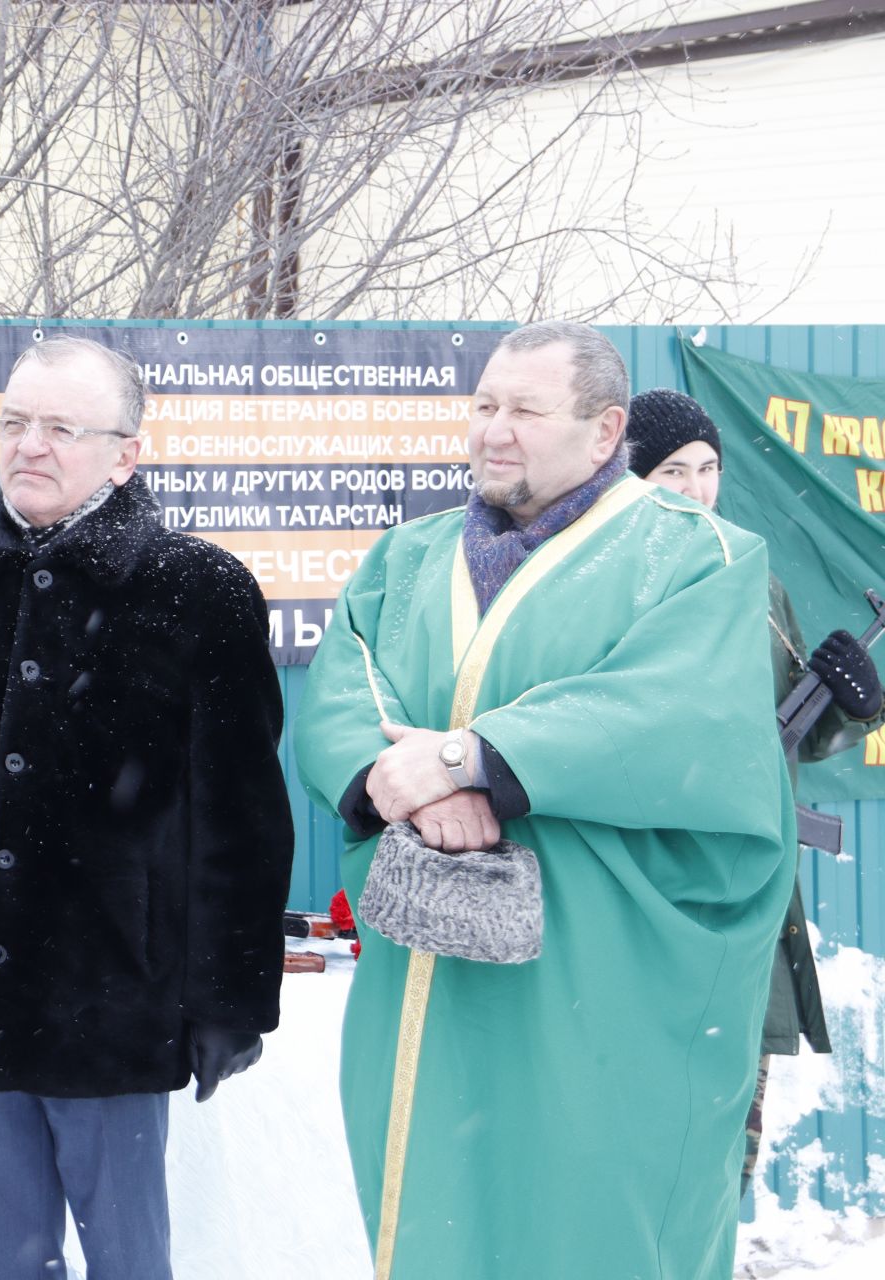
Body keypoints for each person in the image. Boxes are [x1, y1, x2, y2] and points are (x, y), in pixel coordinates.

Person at [294, 321, 792, 1280]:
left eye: (525, 409)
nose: (494, 430)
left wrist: (474, 756)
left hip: (598, 983)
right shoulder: (406, 558)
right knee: (434, 1207)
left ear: (606, 433)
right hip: (428, 983)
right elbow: (347, 690)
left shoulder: (697, 559)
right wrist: (398, 779)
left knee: (586, 1224)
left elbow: (674, 709)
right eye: (484, 405)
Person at [0, 336, 293, 1279]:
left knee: (129, 1257)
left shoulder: (198, 592)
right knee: (2, 1258)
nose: (30, 446)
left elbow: (243, 819)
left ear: (126, 452)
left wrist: (230, 1000)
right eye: (15, 422)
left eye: (62, 427)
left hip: (117, 1002)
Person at [627, 387, 885, 1194]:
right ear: (630, 480)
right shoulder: (602, 586)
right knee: (639, 1159)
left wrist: (852, 703)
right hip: (652, 904)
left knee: (722, 1160)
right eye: (673, 471)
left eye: (709, 468)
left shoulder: (756, 581)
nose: (698, 489)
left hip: (753, 903)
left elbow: (799, 738)